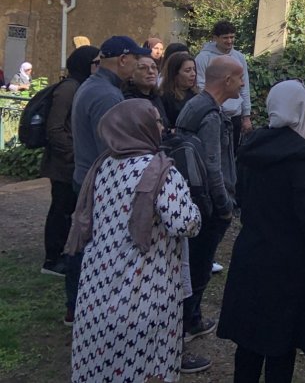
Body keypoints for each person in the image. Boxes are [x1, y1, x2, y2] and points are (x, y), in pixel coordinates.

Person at [218, 80, 305, 382]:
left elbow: (243, 197)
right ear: (301, 109)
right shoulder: (304, 159)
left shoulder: (252, 146)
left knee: (249, 340)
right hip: (288, 262)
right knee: (280, 341)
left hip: (252, 251)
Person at [67, 99, 201, 382]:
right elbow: (186, 223)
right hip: (145, 284)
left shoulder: (102, 166)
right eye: (156, 122)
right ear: (140, 127)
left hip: (98, 284)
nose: (162, 127)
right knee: (145, 365)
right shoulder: (162, 172)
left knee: (101, 363)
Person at [66, 35, 152, 325]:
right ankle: (80, 307)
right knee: (90, 244)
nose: (140, 64)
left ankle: (77, 306)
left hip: (86, 175)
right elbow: (114, 146)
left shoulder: (95, 85)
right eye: (137, 60)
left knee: (84, 238)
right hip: (97, 181)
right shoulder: (107, 95)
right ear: (123, 60)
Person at [176, 55, 242, 373]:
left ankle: (193, 320)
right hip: (206, 205)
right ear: (226, 81)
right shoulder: (211, 115)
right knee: (199, 269)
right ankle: (187, 327)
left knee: (194, 266)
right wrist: (224, 206)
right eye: (239, 78)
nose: (243, 84)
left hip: (191, 199)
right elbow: (213, 166)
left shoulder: (196, 104)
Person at [38, 46, 100, 277]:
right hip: (63, 164)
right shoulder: (69, 89)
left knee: (69, 211)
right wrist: (74, 153)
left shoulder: (82, 87)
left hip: (71, 161)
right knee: (61, 211)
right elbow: (54, 128)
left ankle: (63, 253)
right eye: (95, 62)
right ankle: (52, 259)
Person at [195, 20, 252, 151]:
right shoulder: (203, 58)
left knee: (232, 153)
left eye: (232, 37)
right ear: (215, 38)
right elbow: (201, 86)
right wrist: (214, 107)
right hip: (214, 115)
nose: (229, 41)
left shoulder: (239, 57)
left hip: (235, 116)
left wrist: (246, 116)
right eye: (225, 37)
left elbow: (244, 86)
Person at [124, 54, 169, 128]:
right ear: (131, 75)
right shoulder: (129, 101)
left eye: (154, 67)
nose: (151, 71)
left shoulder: (157, 97)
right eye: (143, 68)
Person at [160, 51, 199, 130]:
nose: (193, 74)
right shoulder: (164, 97)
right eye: (188, 70)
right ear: (175, 74)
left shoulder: (196, 95)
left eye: (194, 69)